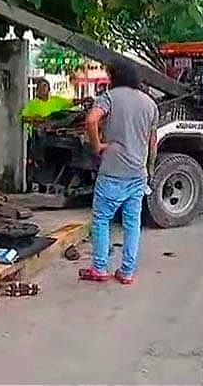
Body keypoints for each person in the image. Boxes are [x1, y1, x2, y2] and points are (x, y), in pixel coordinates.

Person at [78, 59, 158, 285]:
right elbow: (153, 140)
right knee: (132, 223)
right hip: (137, 173)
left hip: (113, 171)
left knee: (102, 219)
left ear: (114, 76)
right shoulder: (150, 103)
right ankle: (127, 272)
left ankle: (100, 268)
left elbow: (91, 120)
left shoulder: (109, 97)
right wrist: (149, 169)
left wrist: (97, 146)